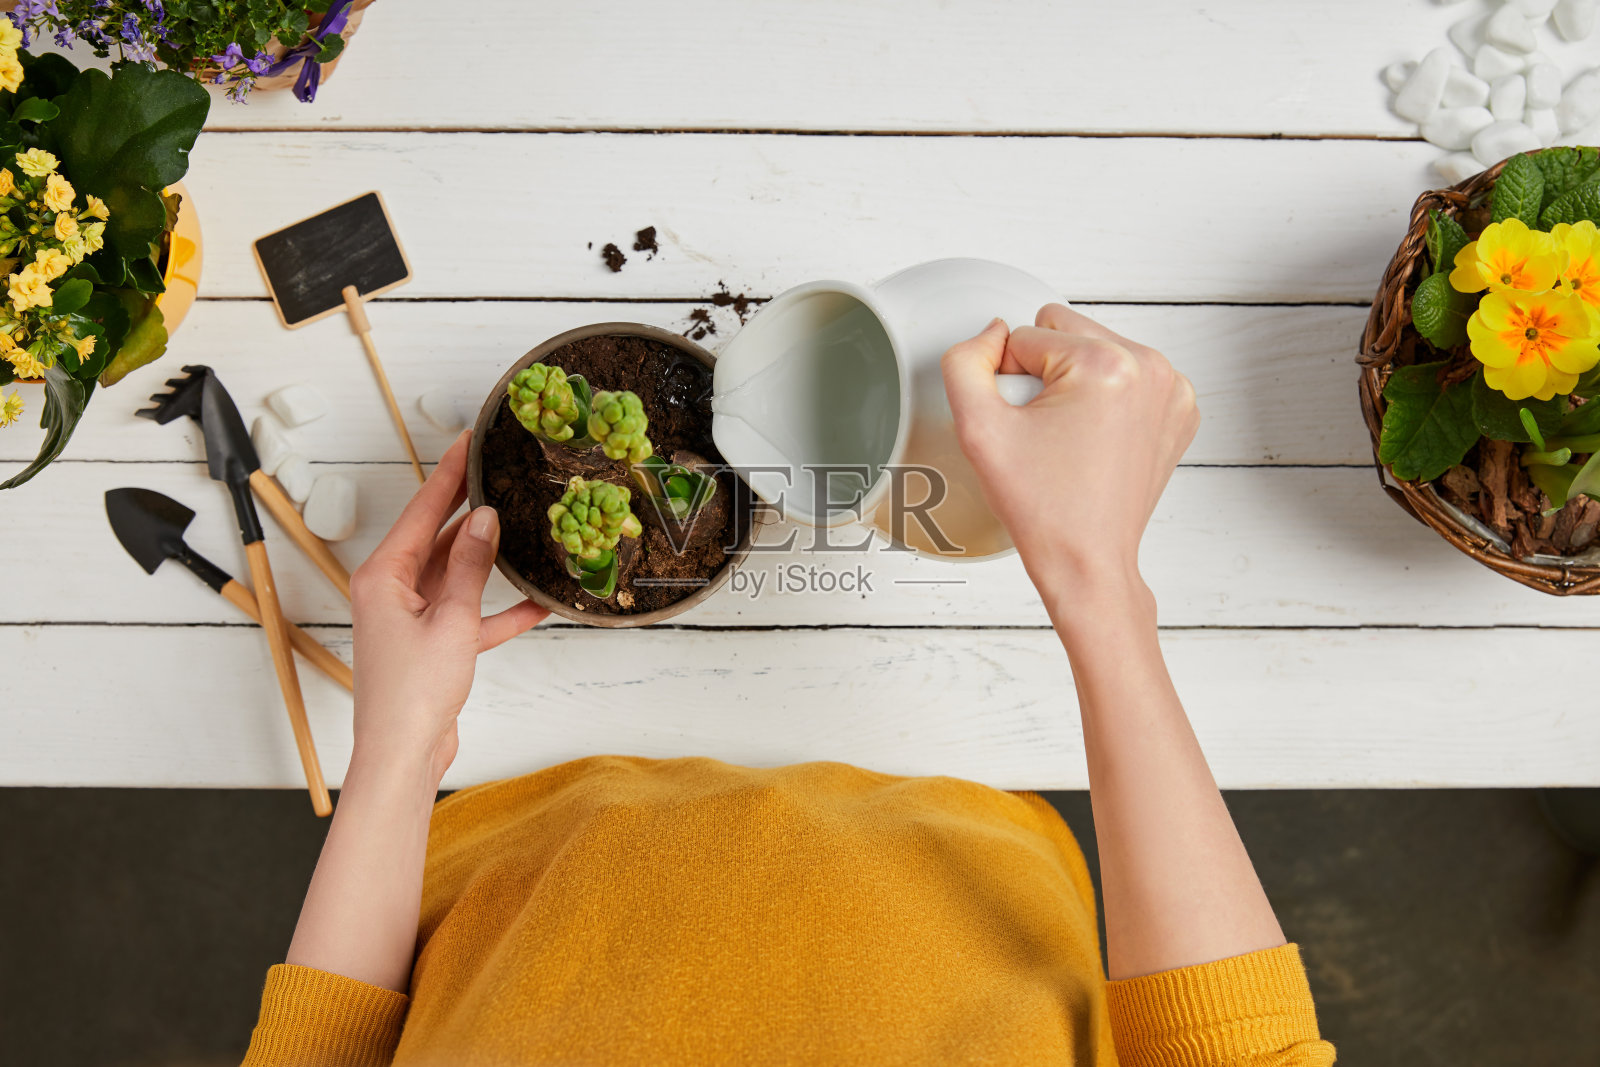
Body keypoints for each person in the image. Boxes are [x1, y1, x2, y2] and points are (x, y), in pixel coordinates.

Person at [241, 305, 1335, 1066]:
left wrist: (398, 752)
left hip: (510, 850)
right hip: (974, 845)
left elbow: (323, 1042)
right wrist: (1101, 589)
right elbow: (1235, 1043)